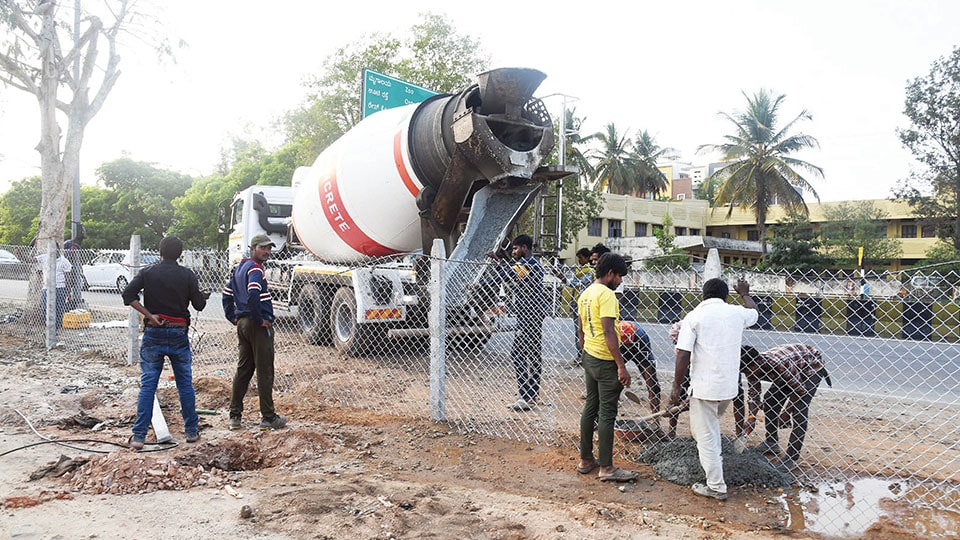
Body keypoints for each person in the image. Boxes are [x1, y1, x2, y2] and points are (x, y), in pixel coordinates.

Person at [669, 278, 758, 501]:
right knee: (706, 429)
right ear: (726, 295)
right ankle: (714, 461)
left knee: (705, 436)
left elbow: (683, 355)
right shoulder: (736, 313)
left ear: (704, 295)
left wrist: (675, 391)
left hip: (705, 388)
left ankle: (716, 486)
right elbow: (755, 314)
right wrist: (745, 293)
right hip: (728, 388)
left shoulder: (695, 316)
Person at [122, 236, 209, 449]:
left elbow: (128, 295)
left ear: (160, 252)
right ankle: (191, 432)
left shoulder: (148, 272)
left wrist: (150, 316)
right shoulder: (187, 275)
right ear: (179, 254)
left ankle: (140, 436)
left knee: (149, 384)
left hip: (155, 332)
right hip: (179, 333)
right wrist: (203, 296)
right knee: (184, 384)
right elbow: (198, 306)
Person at [576, 252, 638, 483]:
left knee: (590, 406)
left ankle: (585, 460)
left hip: (590, 357)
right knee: (607, 414)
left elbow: (581, 329)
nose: (621, 281)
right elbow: (610, 332)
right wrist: (621, 366)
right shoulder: (607, 296)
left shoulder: (586, 293)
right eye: (620, 276)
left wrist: (585, 351)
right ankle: (607, 467)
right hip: (605, 360)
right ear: (610, 273)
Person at [222, 234, 287, 431]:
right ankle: (268, 417)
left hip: (242, 323)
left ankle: (235, 416)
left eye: (269, 248)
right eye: (263, 248)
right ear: (253, 248)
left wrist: (233, 317)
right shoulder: (256, 269)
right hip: (257, 326)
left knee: (244, 369)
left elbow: (226, 295)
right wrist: (260, 319)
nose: (267, 252)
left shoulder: (239, 268)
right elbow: (253, 295)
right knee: (265, 371)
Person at [740, 344, 831, 471]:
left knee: (799, 410)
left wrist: (786, 412)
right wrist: (751, 417)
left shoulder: (778, 365)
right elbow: (754, 395)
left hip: (810, 366)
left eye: (749, 370)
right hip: (791, 370)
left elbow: (799, 390)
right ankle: (771, 442)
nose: (748, 374)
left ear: (757, 362)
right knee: (770, 400)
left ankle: (791, 458)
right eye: (745, 372)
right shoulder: (751, 368)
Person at [486, 234, 548, 411]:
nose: (513, 251)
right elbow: (512, 273)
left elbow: (506, 275)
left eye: (515, 248)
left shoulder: (527, 265)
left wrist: (481, 285)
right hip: (531, 315)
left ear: (525, 248)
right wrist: (498, 261)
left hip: (529, 316)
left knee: (518, 353)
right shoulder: (531, 265)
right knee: (533, 353)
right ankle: (532, 393)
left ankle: (526, 395)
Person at [618, 320, 662, 416]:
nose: (628, 345)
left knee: (653, 385)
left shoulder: (641, 337)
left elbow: (647, 364)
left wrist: (650, 384)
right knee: (611, 377)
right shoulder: (614, 334)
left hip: (639, 349)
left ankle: (655, 419)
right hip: (620, 348)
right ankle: (610, 407)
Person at [36, 247, 72, 329]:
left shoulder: (64, 261)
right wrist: (19, 254)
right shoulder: (44, 258)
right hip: (47, 287)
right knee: (45, 307)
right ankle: (49, 326)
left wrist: (68, 291)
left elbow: (68, 278)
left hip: (59, 287)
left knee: (59, 309)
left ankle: (57, 328)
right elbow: (28, 260)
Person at [63, 239, 85, 310]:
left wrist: (81, 270)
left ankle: (71, 300)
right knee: (68, 285)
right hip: (68, 269)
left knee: (74, 284)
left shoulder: (76, 248)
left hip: (73, 269)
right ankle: (68, 299)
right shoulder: (68, 246)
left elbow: (78, 260)